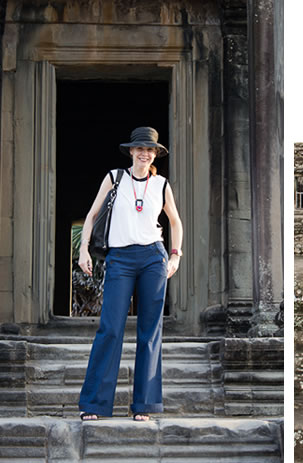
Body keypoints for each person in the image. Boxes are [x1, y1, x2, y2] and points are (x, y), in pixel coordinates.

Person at [77, 127, 183, 422]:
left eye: (150, 150)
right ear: (131, 152)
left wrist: (175, 255)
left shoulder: (161, 184)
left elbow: (175, 222)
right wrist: (83, 249)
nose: (144, 153)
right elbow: (92, 214)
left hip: (152, 258)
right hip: (120, 259)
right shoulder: (114, 178)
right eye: (139, 149)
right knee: (110, 328)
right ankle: (95, 404)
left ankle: (145, 405)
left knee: (150, 333)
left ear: (154, 154)